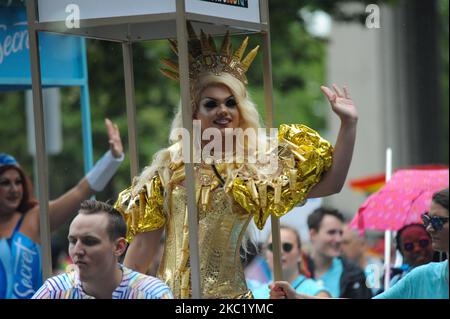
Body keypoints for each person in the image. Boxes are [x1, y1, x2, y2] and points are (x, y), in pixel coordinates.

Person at [115, 26, 358, 298]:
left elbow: (333, 183)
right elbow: (137, 260)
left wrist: (348, 125)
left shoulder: (252, 166)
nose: (223, 111)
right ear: (194, 112)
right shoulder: (167, 168)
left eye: (231, 103)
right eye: (211, 104)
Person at [0, 119, 124, 299]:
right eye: (5, 183)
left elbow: (80, 191)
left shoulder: (34, 218)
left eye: (18, 182)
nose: (14, 188)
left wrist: (112, 159)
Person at [270, 188, 449, 300]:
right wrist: (297, 297)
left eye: (439, 221)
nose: (430, 228)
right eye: (427, 219)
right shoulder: (421, 277)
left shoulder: (355, 273)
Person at [32, 200, 173, 299]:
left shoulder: (153, 294)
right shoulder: (54, 291)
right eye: (73, 241)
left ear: (119, 247)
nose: (77, 250)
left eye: (90, 242)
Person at [305, 207, 372, 298]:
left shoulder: (355, 274)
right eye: (331, 232)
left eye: (340, 233)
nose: (339, 239)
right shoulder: (296, 269)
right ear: (313, 234)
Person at [252, 225, 330, 298]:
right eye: (272, 247)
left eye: (287, 246)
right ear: (265, 253)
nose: (280, 251)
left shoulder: (318, 292)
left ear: (299, 253)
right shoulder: (255, 295)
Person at [387, 223, 433, 287]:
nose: (417, 249)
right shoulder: (397, 283)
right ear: (401, 252)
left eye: (423, 242)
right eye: (409, 246)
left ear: (432, 242)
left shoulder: (444, 275)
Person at [341, 224, 384, 294]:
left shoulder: (372, 269)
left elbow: (375, 295)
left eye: (346, 243)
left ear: (362, 245)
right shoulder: (337, 266)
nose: (341, 247)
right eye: (339, 243)